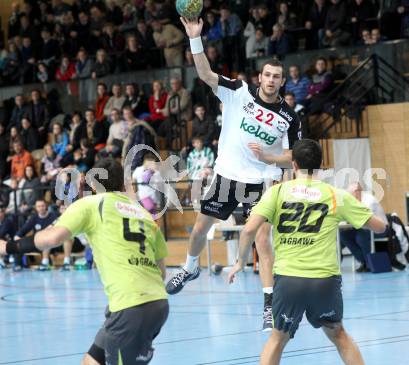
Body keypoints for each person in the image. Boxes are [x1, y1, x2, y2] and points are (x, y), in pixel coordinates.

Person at [165, 17, 302, 331]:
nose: (271, 80)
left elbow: (294, 155)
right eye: (267, 74)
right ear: (260, 76)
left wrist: (270, 157)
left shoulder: (289, 118)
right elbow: (205, 74)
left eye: (277, 77)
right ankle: (189, 269)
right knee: (199, 230)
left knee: (263, 241)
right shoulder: (238, 92)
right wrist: (195, 39)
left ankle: (269, 305)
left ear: (282, 82)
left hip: (259, 184)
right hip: (226, 177)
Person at [228, 139, 386, 365]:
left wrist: (240, 263)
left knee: (277, 339)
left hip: (289, 280)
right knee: (339, 335)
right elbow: (379, 227)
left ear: (293, 165)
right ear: (321, 165)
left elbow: (249, 230)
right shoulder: (335, 195)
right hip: (324, 280)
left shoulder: (277, 192)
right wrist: (379, 218)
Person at [0, 158, 169, 365]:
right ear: (123, 183)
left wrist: (8, 247)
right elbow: (162, 272)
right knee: (90, 361)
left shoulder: (91, 204)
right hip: (157, 303)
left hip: (131, 306)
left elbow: (51, 239)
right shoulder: (144, 214)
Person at [339, 182, 389, 272]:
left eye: (350, 194)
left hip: (381, 230)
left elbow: (364, 219)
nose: (349, 196)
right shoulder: (354, 201)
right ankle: (364, 261)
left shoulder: (369, 200)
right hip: (363, 229)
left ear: (357, 192)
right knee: (343, 235)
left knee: (361, 236)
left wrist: (348, 218)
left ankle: (369, 263)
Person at [14, 199, 58, 271]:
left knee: (45, 241)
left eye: (42, 206)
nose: (41, 208)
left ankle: (46, 263)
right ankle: (17, 265)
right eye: (39, 206)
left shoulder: (52, 216)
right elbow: (24, 229)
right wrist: (17, 236)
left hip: (51, 244)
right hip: (37, 243)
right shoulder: (34, 217)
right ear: (36, 208)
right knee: (19, 243)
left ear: (46, 206)